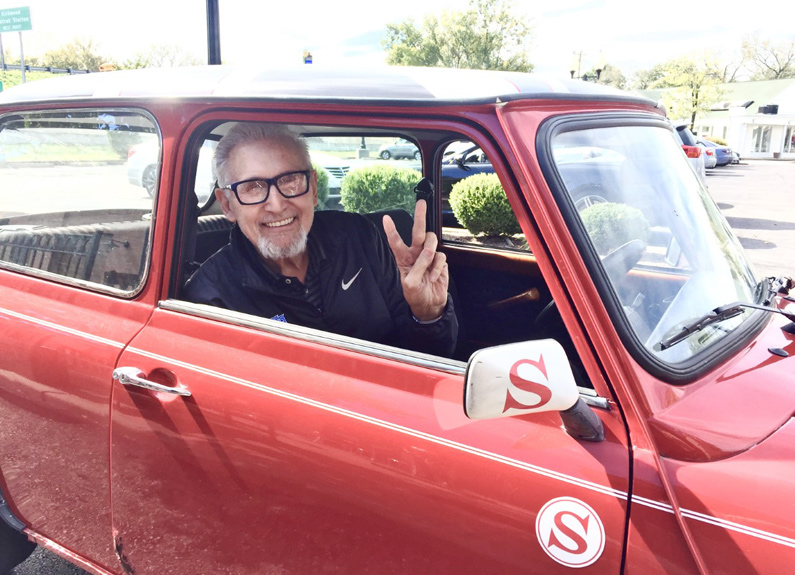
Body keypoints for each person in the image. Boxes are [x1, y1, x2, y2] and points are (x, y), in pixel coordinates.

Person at [184, 123, 457, 357]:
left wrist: (428, 315)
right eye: (253, 188)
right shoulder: (211, 298)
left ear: (313, 189)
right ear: (228, 206)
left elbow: (430, 362)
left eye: (290, 180)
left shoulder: (359, 238)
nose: (277, 205)